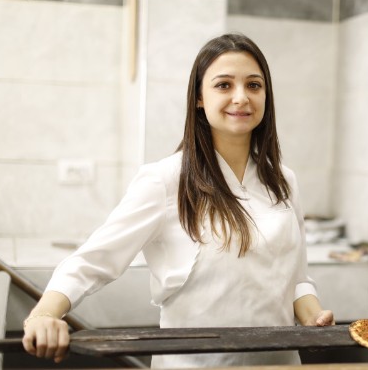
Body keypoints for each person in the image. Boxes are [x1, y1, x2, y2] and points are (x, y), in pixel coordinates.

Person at [22, 33, 334, 368]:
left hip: (278, 362)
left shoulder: (284, 181)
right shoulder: (165, 180)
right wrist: (43, 315)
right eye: (224, 85)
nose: (241, 97)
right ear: (200, 98)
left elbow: (297, 278)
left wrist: (314, 316)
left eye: (254, 85)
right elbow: (93, 261)